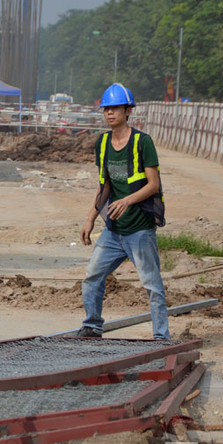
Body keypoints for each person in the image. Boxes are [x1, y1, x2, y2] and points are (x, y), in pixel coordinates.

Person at [77, 83, 168, 340]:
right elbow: (104, 185)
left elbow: (153, 184)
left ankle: (161, 337)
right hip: (113, 231)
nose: (110, 113)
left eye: (115, 108)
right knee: (92, 276)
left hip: (140, 230)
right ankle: (92, 326)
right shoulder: (103, 142)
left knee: (152, 284)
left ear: (128, 111)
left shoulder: (142, 142)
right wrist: (91, 219)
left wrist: (127, 201)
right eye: (106, 109)